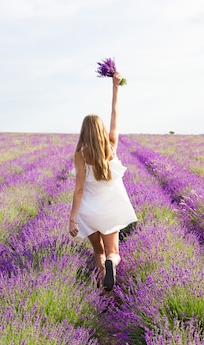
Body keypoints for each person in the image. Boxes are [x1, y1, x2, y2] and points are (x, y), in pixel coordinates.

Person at [69, 71, 138, 291]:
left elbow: (79, 189)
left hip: (89, 211)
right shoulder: (112, 146)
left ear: (84, 132)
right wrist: (115, 87)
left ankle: (102, 290)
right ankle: (112, 265)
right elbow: (114, 113)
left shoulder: (80, 154)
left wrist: (72, 219)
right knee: (112, 252)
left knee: (97, 251)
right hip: (110, 210)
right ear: (101, 131)